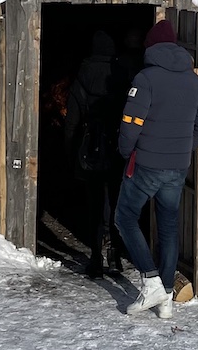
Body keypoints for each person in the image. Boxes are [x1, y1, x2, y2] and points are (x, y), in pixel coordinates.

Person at [114, 19, 198, 319]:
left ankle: (151, 280)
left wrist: (126, 151)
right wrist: (182, 147)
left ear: (152, 47)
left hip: (146, 165)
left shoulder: (145, 79)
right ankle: (167, 296)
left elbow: (130, 125)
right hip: (176, 168)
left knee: (124, 217)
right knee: (168, 226)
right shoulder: (194, 81)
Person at [63, 31, 130, 277]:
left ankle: (95, 258)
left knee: (94, 205)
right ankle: (115, 256)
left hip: (89, 150)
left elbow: (71, 121)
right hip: (116, 147)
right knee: (116, 202)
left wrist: (71, 153)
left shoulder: (81, 77)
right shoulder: (120, 76)